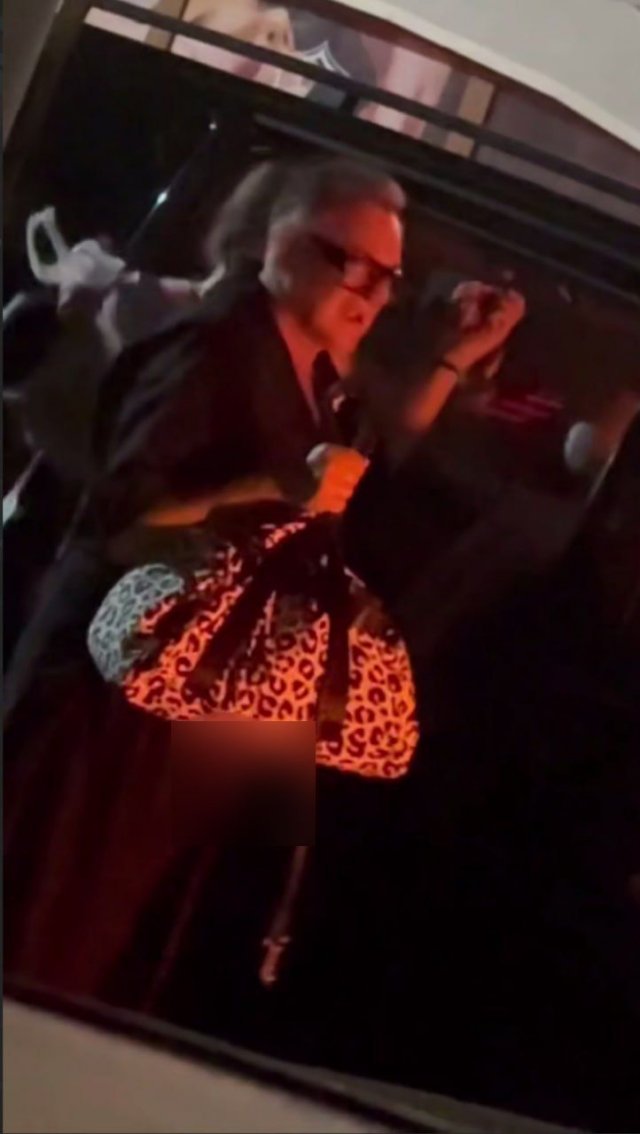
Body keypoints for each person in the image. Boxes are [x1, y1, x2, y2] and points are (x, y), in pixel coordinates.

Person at [5, 156, 524, 1053]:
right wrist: (279, 488)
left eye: (388, 275)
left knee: (86, 975)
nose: (371, 290)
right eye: (346, 261)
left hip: (171, 729)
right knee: (37, 946)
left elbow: (369, 459)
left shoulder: (307, 371)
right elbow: (125, 522)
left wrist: (447, 360)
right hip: (100, 723)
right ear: (272, 240)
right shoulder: (213, 347)